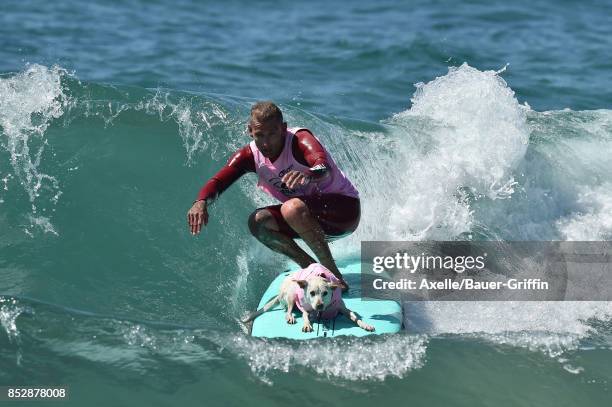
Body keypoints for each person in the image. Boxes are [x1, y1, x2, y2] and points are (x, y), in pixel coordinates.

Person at [187, 101, 360, 290]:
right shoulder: (249, 156)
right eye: (260, 135)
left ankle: (334, 276)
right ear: (250, 131)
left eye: (272, 134)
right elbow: (219, 182)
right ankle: (312, 272)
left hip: (344, 212)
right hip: (307, 220)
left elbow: (323, 166)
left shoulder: (299, 140)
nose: (266, 143)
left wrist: (309, 174)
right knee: (258, 222)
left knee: (292, 208)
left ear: (283, 129)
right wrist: (201, 201)